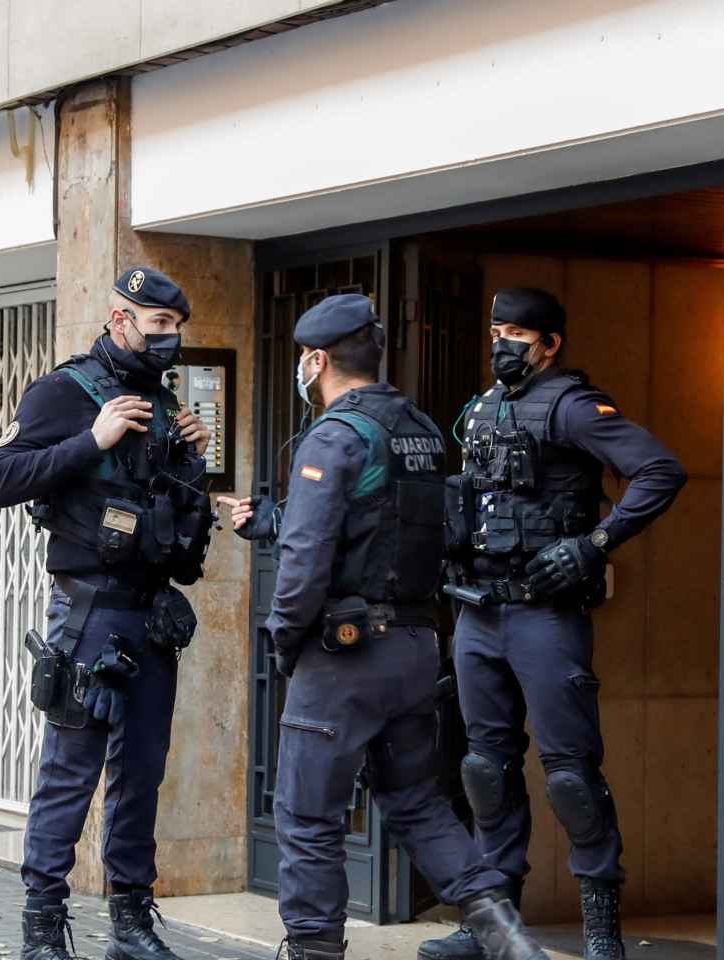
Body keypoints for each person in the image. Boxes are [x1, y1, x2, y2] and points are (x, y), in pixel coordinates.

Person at [220, 294, 548, 960]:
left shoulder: (335, 436)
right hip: (416, 646)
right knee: (418, 802)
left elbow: (307, 558)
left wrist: (287, 639)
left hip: (341, 657)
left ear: (315, 360)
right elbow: (395, 529)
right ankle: (505, 934)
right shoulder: (420, 428)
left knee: (308, 816)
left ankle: (315, 951)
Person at [420, 288, 687, 960]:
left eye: (514, 332)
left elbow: (660, 470)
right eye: (494, 330)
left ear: (549, 343)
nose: (500, 342)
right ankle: (493, 928)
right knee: (486, 769)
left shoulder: (571, 406)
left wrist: (594, 544)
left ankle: (603, 932)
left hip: (543, 615)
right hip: (478, 611)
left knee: (570, 773)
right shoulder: (482, 410)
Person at [0, 266, 215, 960]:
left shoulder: (164, 403)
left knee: (141, 773)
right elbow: (1, 478)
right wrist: (93, 438)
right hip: (87, 616)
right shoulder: (66, 391)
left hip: (149, 617)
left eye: (176, 328)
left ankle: (132, 924)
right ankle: (41, 929)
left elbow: (176, 526)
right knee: (71, 770)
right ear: (122, 320)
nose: (171, 340)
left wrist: (191, 464)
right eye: (160, 327)